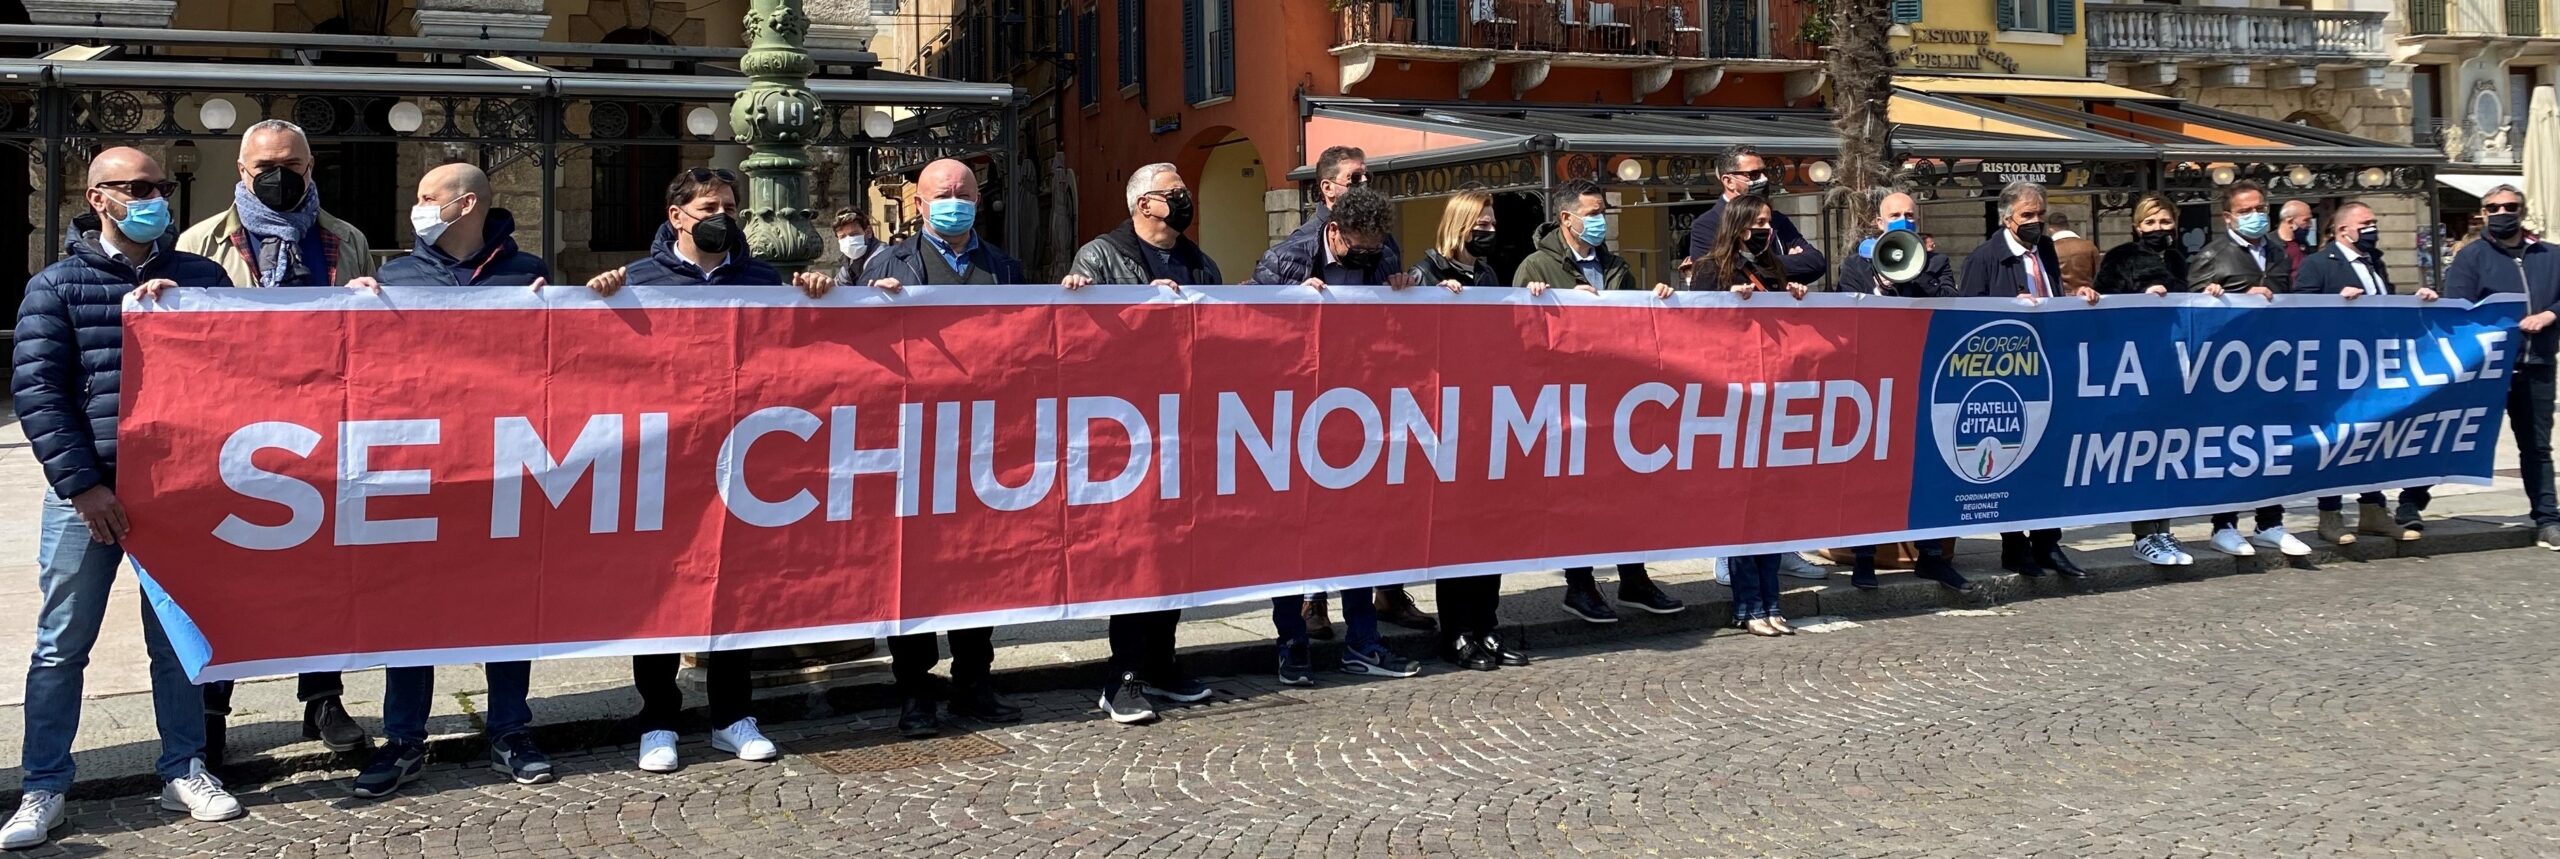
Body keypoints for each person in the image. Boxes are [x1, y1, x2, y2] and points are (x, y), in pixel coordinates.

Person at [3, 147, 245, 848]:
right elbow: (40, 394)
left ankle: (183, 768)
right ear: (98, 197)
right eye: (137, 187)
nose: (154, 197)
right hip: (90, 499)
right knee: (60, 646)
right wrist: (84, 485)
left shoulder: (200, 277)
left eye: (161, 186)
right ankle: (43, 786)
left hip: (180, 493)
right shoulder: (57, 285)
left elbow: (248, 363)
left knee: (176, 643)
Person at [335, 163, 555, 798]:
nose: (417, 207)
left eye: (428, 198)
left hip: (501, 467)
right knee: (412, 607)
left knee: (507, 603)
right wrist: (354, 306)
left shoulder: (528, 274)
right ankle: (404, 739)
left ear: (465, 205)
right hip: (419, 470)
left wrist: (577, 302)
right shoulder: (397, 277)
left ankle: (511, 730)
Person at [589, 168, 806, 773]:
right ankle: (659, 720)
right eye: (711, 205)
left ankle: (733, 717)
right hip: (665, 465)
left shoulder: (764, 280)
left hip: (741, 463)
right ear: (676, 214)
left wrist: (816, 292)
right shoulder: (637, 282)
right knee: (659, 593)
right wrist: (598, 298)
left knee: (733, 592)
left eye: (732, 206)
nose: (725, 215)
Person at [176, 118, 372, 758]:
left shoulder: (345, 241)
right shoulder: (202, 243)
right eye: (264, 166)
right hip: (229, 435)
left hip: (324, 431)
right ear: (241, 171)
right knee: (224, 577)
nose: (277, 175)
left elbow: (373, 343)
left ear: (310, 168)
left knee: (324, 571)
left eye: (290, 163)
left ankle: (322, 699)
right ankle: (210, 708)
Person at [858, 159, 1027, 737]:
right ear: (919, 205)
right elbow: (855, 353)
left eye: (963, 192)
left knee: (979, 568)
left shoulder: (1003, 267)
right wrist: (870, 305)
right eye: (941, 193)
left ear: (978, 201)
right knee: (912, 569)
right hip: (909, 444)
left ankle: (975, 682)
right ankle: (915, 693)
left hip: (982, 442)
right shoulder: (884, 264)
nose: (953, 200)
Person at [1242, 186, 1425, 683]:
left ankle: (1364, 643)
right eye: (1358, 247)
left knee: (1359, 534)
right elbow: (1249, 331)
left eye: (1375, 247)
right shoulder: (1285, 260)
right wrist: (1287, 304)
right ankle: (1292, 643)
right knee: (1290, 537)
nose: (1368, 255)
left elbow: (1395, 328)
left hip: (1356, 414)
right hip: (1294, 417)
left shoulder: (1381, 253)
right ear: (1334, 231)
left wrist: (1409, 287)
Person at [1062, 163, 1220, 724]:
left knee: (1177, 550)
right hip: (1124, 432)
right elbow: (1080, 343)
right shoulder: (1099, 257)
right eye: (1172, 192)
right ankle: (1122, 674)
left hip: (1186, 425)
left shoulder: (1200, 262)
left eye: (1183, 190)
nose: (1183, 198)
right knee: (1135, 555)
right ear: (1142, 204)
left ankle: (1162, 663)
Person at [1515, 180, 1689, 621]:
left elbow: (1630, 325)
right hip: (1566, 401)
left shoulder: (1617, 267)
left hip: (1615, 397)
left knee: (1624, 491)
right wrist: (1546, 304)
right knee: (1577, 496)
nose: (1600, 220)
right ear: (1566, 218)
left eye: (1603, 212)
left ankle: (1634, 577)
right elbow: (1518, 334)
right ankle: (1580, 584)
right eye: (1592, 212)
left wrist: (1657, 301)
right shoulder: (1537, 266)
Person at [1407, 190, 1531, 670]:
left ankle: (1487, 626)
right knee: (1457, 534)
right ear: (1459, 225)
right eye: (1480, 224)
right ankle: (1456, 631)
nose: (1488, 232)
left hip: (1488, 417)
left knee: (1491, 530)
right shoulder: (1425, 274)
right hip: (1445, 422)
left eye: (1492, 224)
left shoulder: (1488, 275)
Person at [1682, 195, 1810, 636]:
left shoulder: (1773, 266)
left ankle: (1772, 602)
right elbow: (1695, 329)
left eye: (1767, 222)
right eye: (1757, 222)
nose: (1764, 228)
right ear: (1737, 225)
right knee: (1743, 509)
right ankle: (1747, 605)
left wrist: (1794, 296)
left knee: (1772, 507)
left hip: (1774, 397)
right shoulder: (1709, 269)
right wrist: (1726, 301)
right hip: (1731, 401)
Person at [1958, 181, 2094, 585]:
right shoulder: (1985, 258)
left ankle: (2049, 541)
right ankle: (2014, 545)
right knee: (2014, 459)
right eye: (2026, 216)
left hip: (2048, 367)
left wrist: (2077, 296)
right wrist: (2007, 310)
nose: (2035, 223)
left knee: (2049, 459)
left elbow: (2054, 297)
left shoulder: (2046, 250)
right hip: (2007, 375)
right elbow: (1968, 317)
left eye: (2039, 214)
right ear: (2007, 218)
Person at [1840, 191, 1975, 593]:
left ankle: (1931, 556)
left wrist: (1913, 276)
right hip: (1873, 383)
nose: (1903, 221)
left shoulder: (1935, 262)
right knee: (1869, 470)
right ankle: (1864, 558)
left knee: (1928, 468)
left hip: (1922, 377)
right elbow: (1847, 312)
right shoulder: (1856, 265)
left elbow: (1951, 302)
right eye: (1894, 215)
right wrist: (1882, 284)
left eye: (1909, 215)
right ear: (1879, 223)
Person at [2295, 201, 2440, 544]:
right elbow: (2299, 312)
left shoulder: (2375, 262)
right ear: (2343, 229)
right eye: (2366, 223)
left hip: (2374, 367)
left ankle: (2373, 510)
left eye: (2374, 222)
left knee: (2372, 437)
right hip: (2334, 369)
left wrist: (2416, 300)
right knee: (2335, 439)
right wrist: (2335, 300)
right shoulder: (2318, 264)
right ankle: (2329, 514)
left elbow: (2384, 306)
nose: (2373, 228)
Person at [2187, 180, 2306, 559]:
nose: (2254, 216)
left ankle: (2270, 521)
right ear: (2227, 217)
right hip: (2229, 369)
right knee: (2231, 447)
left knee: (2274, 443)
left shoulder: (2278, 252)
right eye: (2244, 211)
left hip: (2274, 365)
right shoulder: (2213, 256)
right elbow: (2191, 312)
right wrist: (2238, 298)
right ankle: (2224, 525)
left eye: (2259, 209)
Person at [2443, 185, 2560, 550]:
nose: (2502, 212)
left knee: (2537, 447)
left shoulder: (2551, 255)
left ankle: (2547, 519)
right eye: (2493, 207)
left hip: (2536, 363)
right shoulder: (2471, 257)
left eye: (2510, 206)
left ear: (2522, 210)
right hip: (2487, 368)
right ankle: (2412, 506)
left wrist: (2550, 314)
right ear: (2483, 212)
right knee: (2452, 439)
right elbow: (2458, 307)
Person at [2095, 194, 2199, 568]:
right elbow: (2102, 305)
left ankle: (2163, 528)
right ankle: (2143, 534)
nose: (2159, 229)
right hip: (2135, 365)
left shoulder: (2177, 259)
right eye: (2151, 223)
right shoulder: (2119, 257)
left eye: (2165, 222)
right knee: (2143, 451)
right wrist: (2140, 297)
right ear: (2137, 226)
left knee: (2169, 451)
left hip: (2173, 366)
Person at [1685, 145, 1826, 284]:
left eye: (1765, 172)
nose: (1764, 179)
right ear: (1729, 182)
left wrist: (1750, 263)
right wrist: (1785, 265)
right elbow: (1717, 276)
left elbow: (1816, 263)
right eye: (1754, 175)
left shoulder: (1777, 219)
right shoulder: (1707, 224)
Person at [2044, 210, 2099, 296]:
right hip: (2088, 297)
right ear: (2068, 225)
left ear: (2050, 228)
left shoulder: (2048, 249)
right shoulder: (2089, 246)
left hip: (2061, 299)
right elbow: (2098, 275)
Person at [832, 208, 884, 285]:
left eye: (854, 234)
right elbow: (838, 286)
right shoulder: (849, 263)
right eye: (842, 237)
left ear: (868, 232)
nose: (848, 240)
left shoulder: (886, 258)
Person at [2275, 199, 2315, 274]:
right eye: (2306, 220)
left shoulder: (2303, 244)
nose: (2310, 225)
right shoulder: (2269, 244)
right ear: (2290, 221)